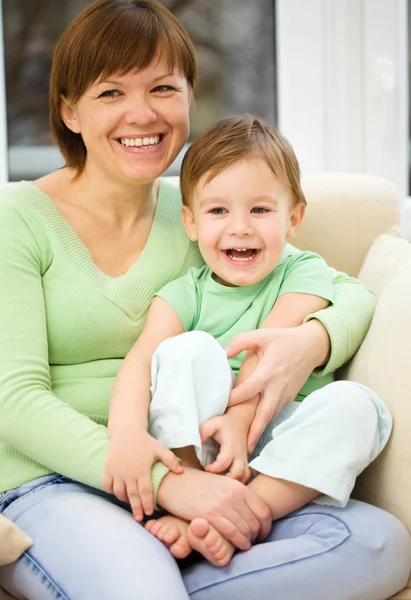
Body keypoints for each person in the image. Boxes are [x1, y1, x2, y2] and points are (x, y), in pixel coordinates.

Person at [0, 1, 409, 599]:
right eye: (111, 92)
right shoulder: (18, 220)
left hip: (206, 466)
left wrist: (309, 342)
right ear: (69, 110)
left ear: (189, 97)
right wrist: (168, 484)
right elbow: (14, 399)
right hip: (57, 482)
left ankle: (179, 552)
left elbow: (341, 290)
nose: (142, 112)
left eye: (163, 87)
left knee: (377, 543)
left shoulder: (208, 212)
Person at [104, 114, 392, 567]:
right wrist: (124, 436)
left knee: (361, 407)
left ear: (294, 217)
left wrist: (239, 424)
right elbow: (139, 364)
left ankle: (244, 511)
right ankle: (196, 496)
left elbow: (268, 348)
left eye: (259, 210)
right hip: (201, 442)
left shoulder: (304, 270)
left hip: (284, 437)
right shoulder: (185, 292)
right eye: (218, 211)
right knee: (186, 350)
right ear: (191, 222)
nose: (240, 227)